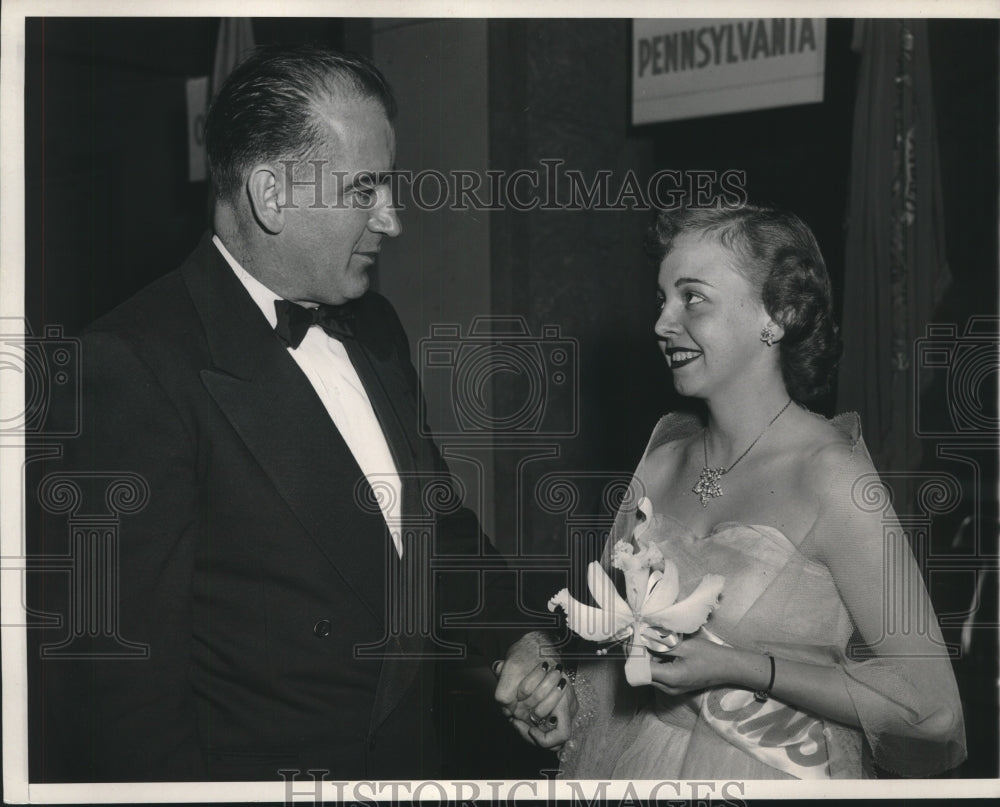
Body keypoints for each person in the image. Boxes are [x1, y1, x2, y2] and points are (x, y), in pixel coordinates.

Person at [30, 44, 543, 782]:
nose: (391, 220)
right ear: (271, 195)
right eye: (365, 189)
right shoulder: (130, 364)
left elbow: (435, 531)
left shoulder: (376, 326)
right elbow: (123, 697)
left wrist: (513, 635)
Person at [502, 203, 967, 778]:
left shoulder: (831, 477)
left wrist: (742, 668)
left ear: (779, 314)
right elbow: (618, 666)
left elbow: (934, 712)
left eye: (693, 297)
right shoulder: (658, 465)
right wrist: (567, 706)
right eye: (662, 300)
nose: (662, 323)